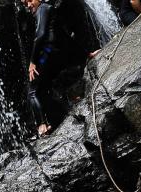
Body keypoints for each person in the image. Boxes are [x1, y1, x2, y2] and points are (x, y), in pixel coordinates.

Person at [23, 0, 97, 136]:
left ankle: (41, 126)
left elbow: (40, 35)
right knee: (47, 88)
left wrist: (32, 62)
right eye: (24, 3)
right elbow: (65, 36)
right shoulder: (50, 9)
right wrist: (86, 54)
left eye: (29, 1)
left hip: (47, 54)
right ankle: (56, 120)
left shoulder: (42, 9)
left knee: (33, 92)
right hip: (58, 55)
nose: (28, 5)